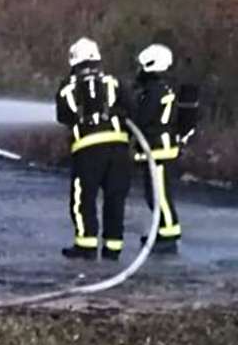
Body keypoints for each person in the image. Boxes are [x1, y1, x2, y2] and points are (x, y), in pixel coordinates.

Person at [55, 38, 131, 260]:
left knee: (83, 198)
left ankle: (86, 246)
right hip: (118, 149)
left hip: (88, 151)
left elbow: (63, 117)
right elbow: (131, 108)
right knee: (115, 199)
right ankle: (113, 249)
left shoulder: (68, 86)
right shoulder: (113, 82)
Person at [132, 44, 181, 254]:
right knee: (154, 195)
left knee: (159, 195)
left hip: (158, 148)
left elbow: (143, 118)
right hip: (157, 147)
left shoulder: (154, 92)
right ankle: (162, 230)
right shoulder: (160, 89)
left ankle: (168, 235)